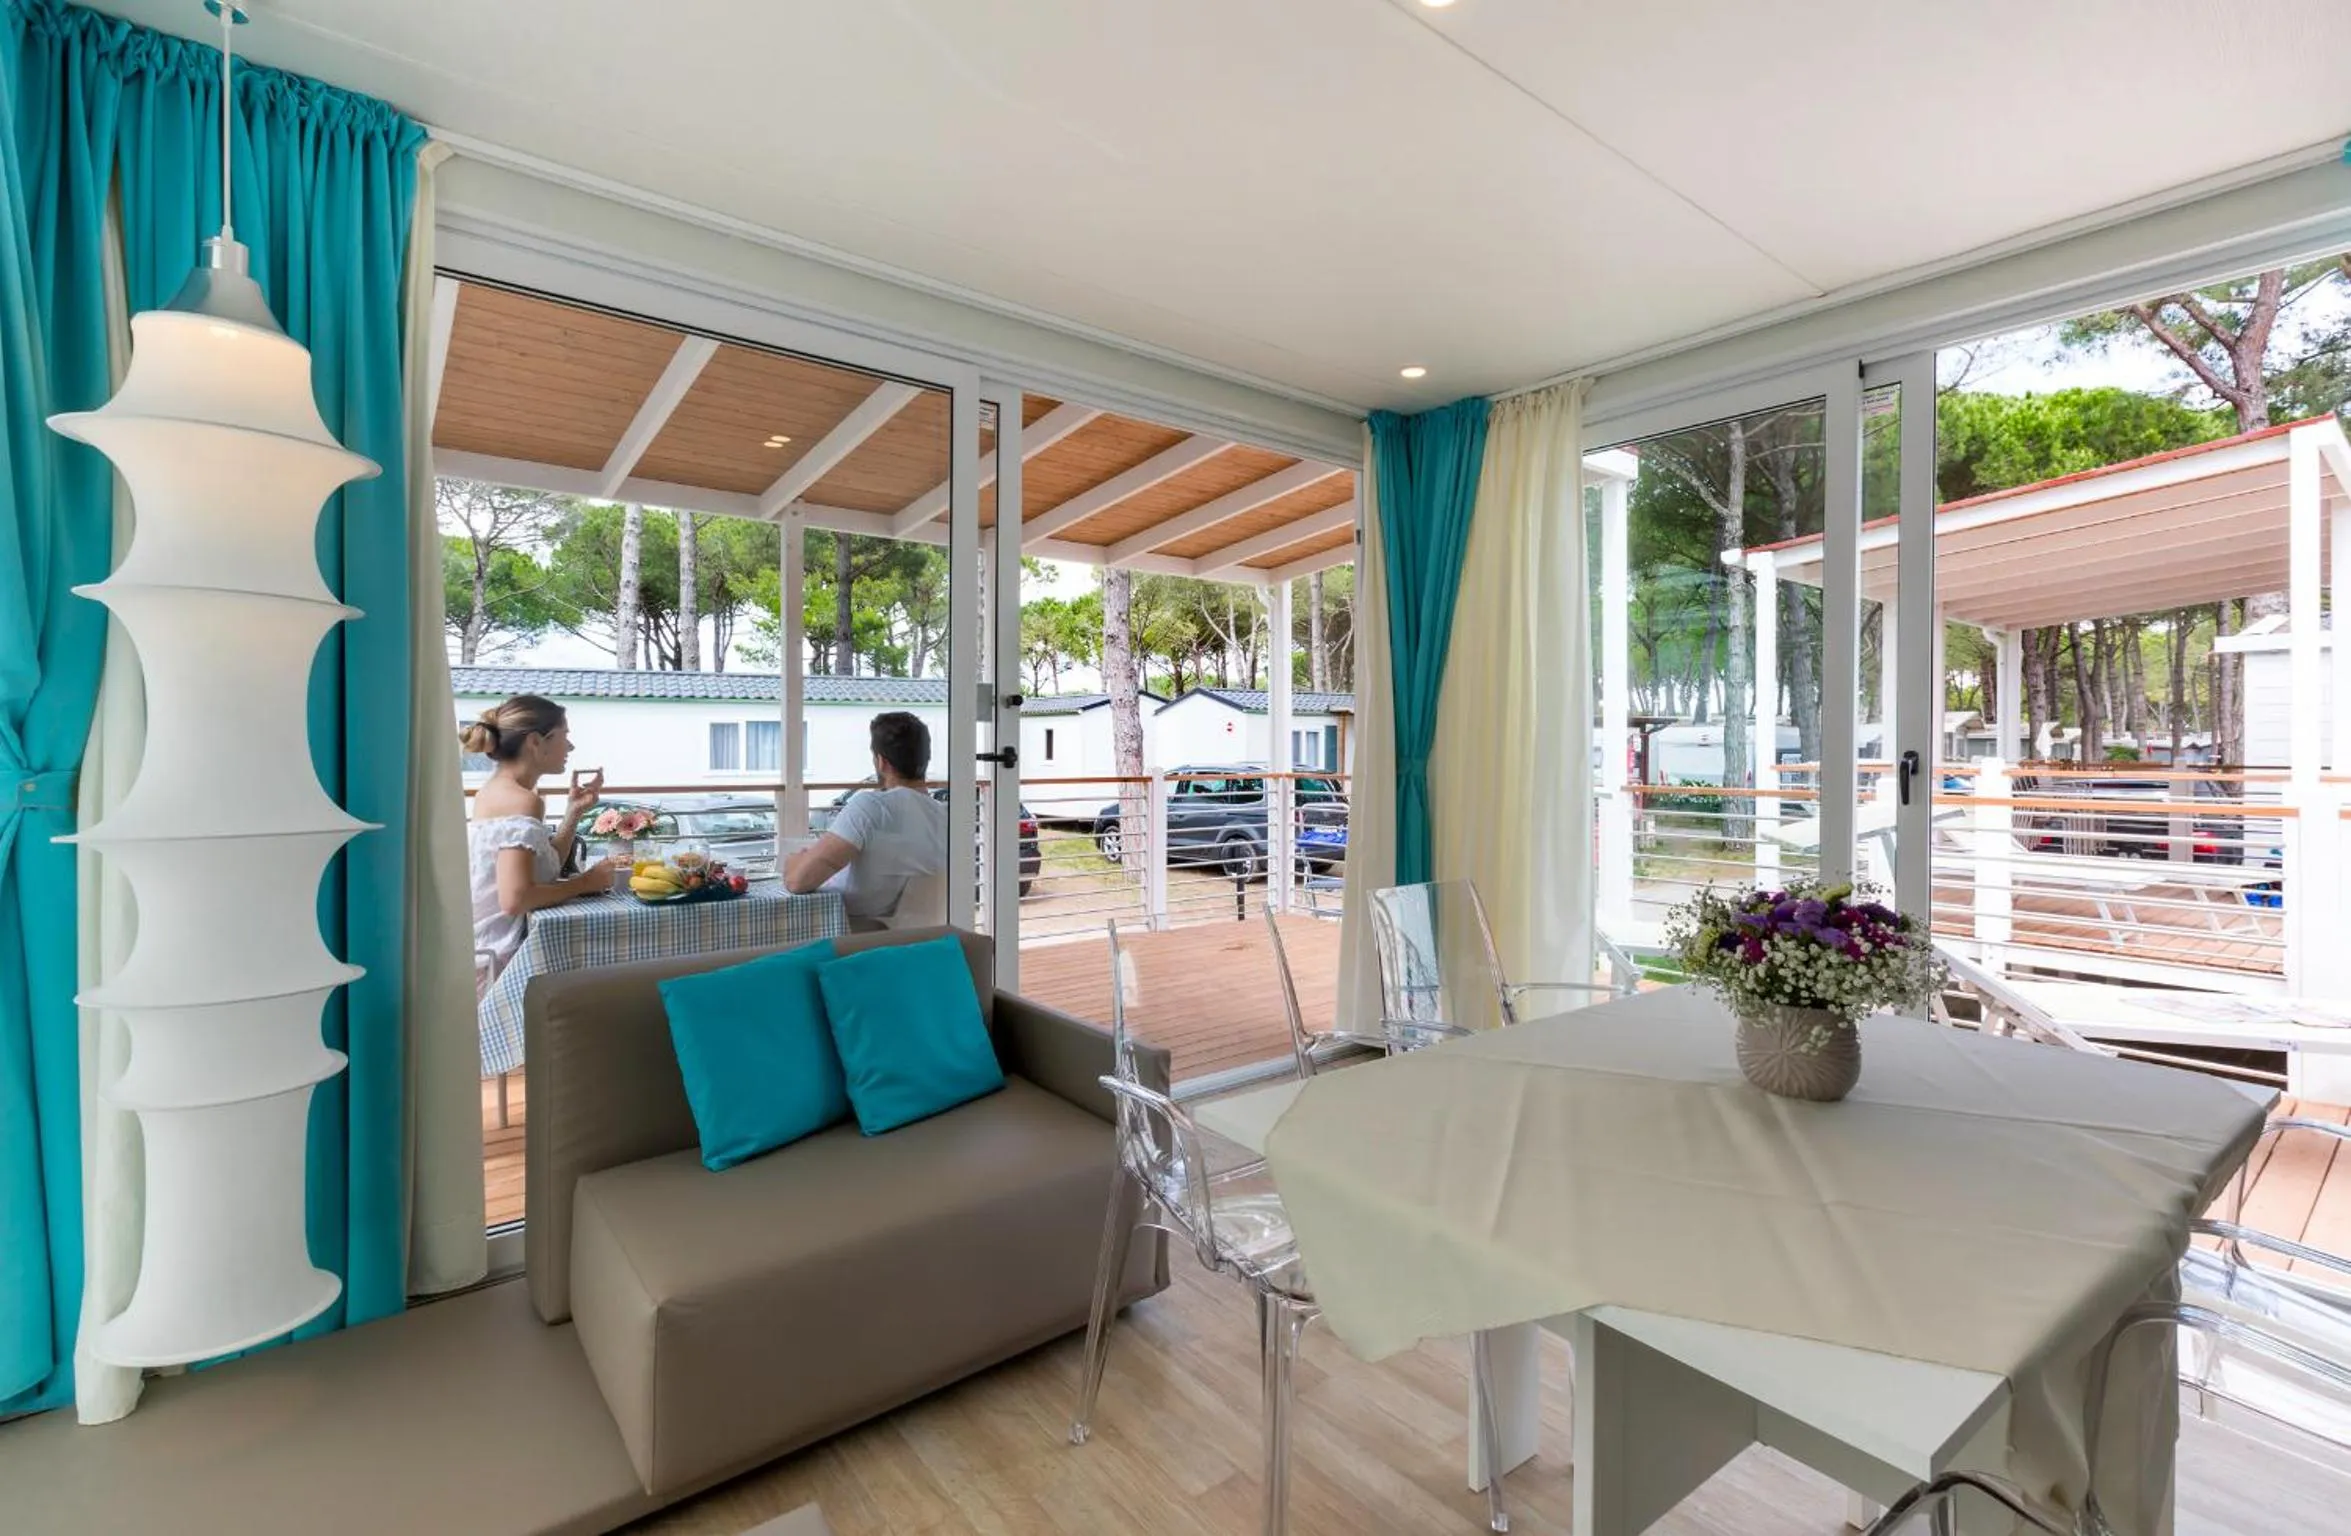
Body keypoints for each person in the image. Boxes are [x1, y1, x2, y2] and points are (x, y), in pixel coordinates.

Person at [463, 694, 623, 995]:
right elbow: (515, 899)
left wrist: (574, 811)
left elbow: (543, 868)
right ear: (536, 741)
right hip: (497, 964)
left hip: (485, 950)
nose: (570, 747)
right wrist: (584, 883)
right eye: (565, 736)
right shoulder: (521, 800)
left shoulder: (500, 792)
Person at [784, 710, 948, 928]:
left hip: (855, 940)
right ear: (926, 759)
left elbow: (798, 882)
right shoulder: (945, 817)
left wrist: (794, 863)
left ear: (881, 762)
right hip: (918, 941)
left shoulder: (872, 807)